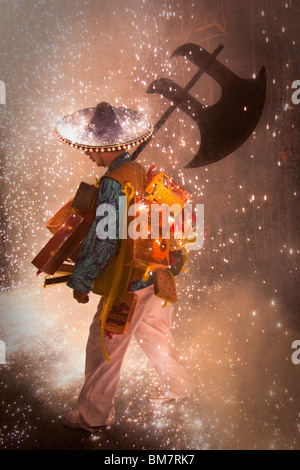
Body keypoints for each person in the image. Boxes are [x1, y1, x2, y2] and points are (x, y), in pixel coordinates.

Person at [55, 102, 196, 432]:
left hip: (129, 282)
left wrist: (82, 279)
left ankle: (93, 416)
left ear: (105, 147)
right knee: (155, 335)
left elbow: (104, 239)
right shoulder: (140, 173)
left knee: (103, 345)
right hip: (154, 275)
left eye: (93, 149)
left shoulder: (113, 182)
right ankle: (181, 386)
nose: (89, 154)